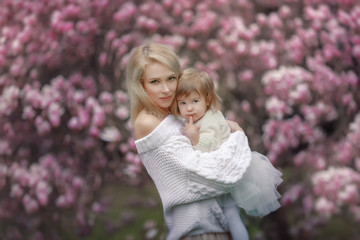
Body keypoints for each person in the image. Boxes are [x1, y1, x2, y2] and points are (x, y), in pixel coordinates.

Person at [126, 42, 253, 240]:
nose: (166, 89)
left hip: (217, 227)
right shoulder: (148, 122)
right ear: (141, 85)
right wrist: (238, 139)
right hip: (198, 232)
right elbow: (203, 174)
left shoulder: (178, 115)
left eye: (171, 78)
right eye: (155, 82)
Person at [172, 68, 283, 239]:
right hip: (223, 176)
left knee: (231, 217)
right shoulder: (206, 116)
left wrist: (194, 137)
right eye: (183, 103)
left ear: (207, 99)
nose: (189, 108)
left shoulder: (210, 121)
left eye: (194, 101)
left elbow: (207, 145)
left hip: (226, 177)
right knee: (230, 217)